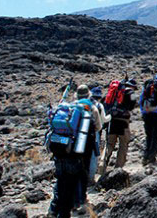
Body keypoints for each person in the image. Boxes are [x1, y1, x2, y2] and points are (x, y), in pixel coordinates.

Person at [48, 85, 100, 217]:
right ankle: (76, 204)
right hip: (76, 152)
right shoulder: (89, 108)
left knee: (60, 182)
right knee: (73, 183)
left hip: (60, 150)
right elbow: (98, 127)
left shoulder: (70, 108)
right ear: (89, 95)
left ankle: (53, 209)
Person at [98, 79, 137, 175]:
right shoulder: (130, 93)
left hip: (111, 121)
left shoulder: (113, 92)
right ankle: (118, 169)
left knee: (109, 144)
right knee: (123, 144)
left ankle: (102, 166)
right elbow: (132, 106)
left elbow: (104, 103)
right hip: (123, 122)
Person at [88, 86, 111, 183]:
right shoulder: (99, 106)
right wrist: (111, 116)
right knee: (93, 155)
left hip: (79, 133)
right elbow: (103, 120)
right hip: (94, 133)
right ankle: (91, 178)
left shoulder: (82, 104)